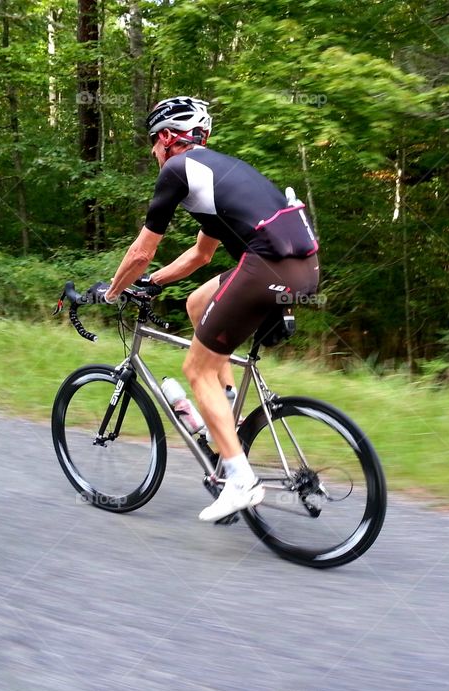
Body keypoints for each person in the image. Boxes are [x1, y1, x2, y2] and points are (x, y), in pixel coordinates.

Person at [102, 96, 320, 521]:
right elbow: (201, 255)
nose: (152, 151)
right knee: (198, 302)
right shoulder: (219, 171)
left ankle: (240, 481)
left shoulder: (176, 170)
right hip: (304, 270)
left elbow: (141, 251)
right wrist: (152, 284)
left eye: (153, 141)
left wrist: (112, 292)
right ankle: (229, 410)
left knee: (195, 369)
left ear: (167, 138)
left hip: (264, 268)